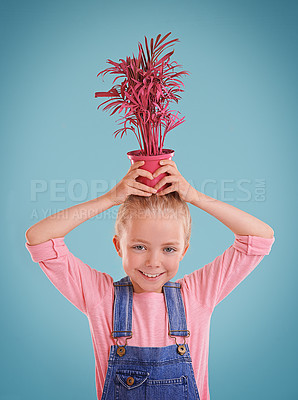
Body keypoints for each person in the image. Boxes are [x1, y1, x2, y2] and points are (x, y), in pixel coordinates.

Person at [25, 159, 275, 400]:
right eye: (139, 247)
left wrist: (195, 197)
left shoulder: (196, 295)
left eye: (168, 249)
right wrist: (109, 198)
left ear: (184, 251)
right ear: (118, 246)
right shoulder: (102, 298)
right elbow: (39, 237)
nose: (153, 262)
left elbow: (259, 237)